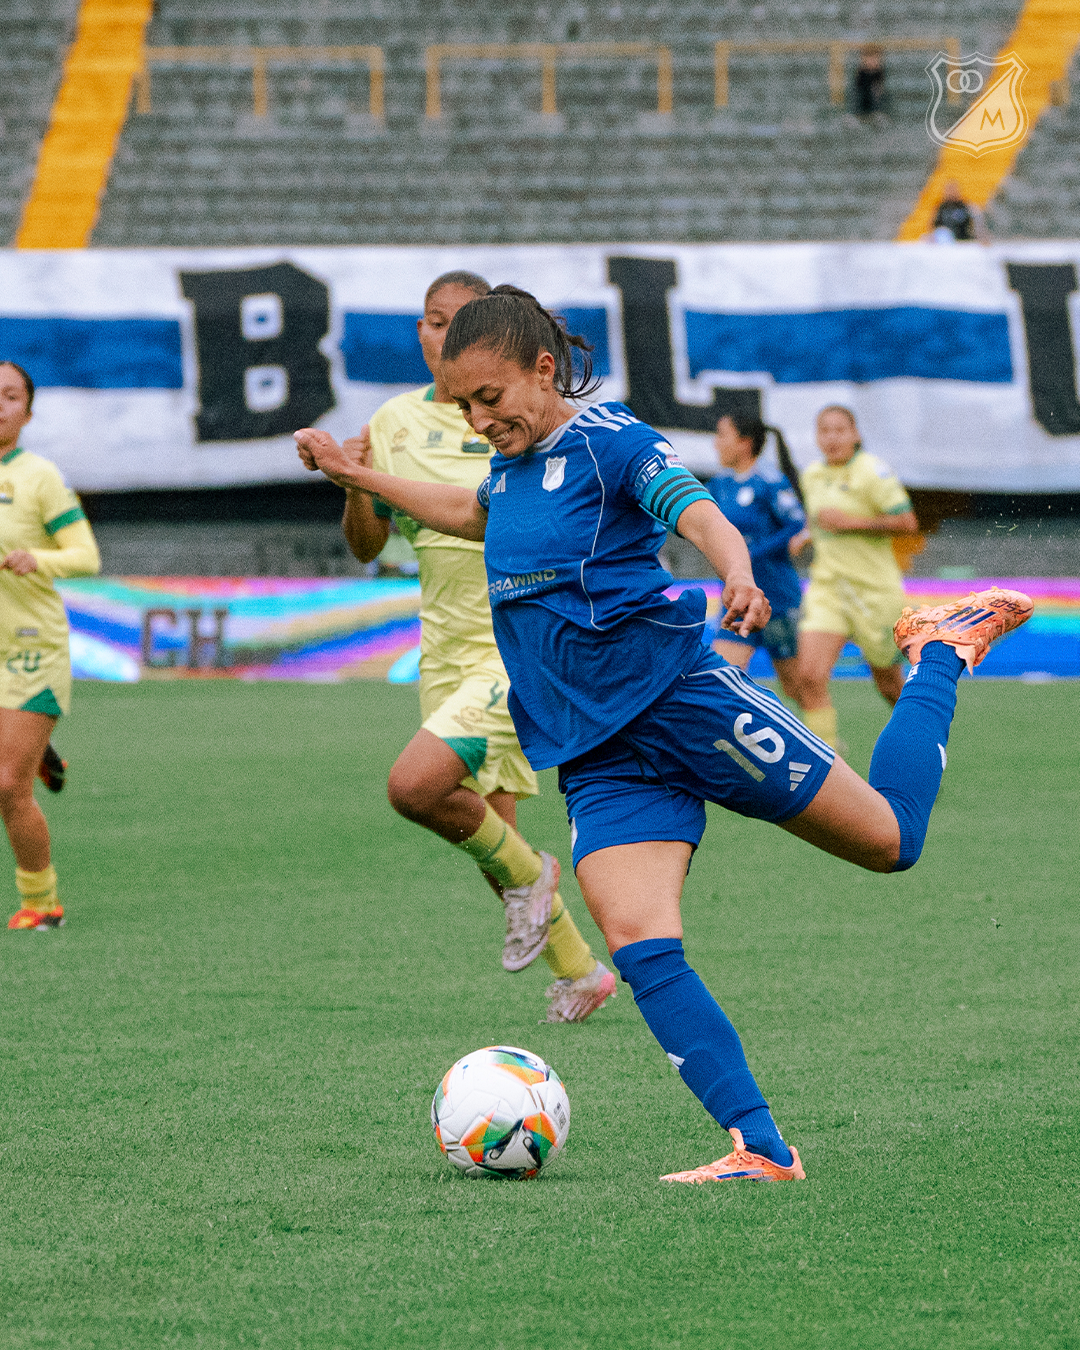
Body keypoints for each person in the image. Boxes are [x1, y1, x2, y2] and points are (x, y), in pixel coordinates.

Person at [295, 286, 1032, 1184]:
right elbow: (470, 514)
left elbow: (696, 509)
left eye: (490, 398)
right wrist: (356, 474)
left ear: (543, 370)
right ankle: (761, 1149)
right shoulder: (508, 471)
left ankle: (942, 651)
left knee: (892, 842)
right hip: (597, 752)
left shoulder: (611, 441)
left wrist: (737, 571)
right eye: (463, 407)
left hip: (683, 703)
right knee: (642, 947)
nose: (480, 420)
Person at [321, 272, 615, 1024]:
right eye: (430, 319)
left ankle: (559, 904)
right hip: (444, 646)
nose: (439, 332)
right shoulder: (393, 420)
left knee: (424, 790)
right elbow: (367, 546)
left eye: (454, 320)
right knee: (487, 831)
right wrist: (355, 483)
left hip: (515, 641)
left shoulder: (524, 415)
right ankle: (582, 972)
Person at [0, 361, 101, 931]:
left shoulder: (39, 477)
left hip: (30, 651)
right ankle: (34, 748)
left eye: (10, 396)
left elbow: (87, 556)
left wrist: (37, 558)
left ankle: (42, 904)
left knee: (5, 785)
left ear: (28, 412)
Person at [795, 405, 920, 749]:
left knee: (888, 684)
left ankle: (920, 746)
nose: (831, 438)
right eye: (824, 430)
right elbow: (820, 520)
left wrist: (851, 523)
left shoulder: (873, 472)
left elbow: (907, 522)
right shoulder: (812, 475)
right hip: (829, 589)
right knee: (809, 676)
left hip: (874, 593)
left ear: (855, 434)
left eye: (839, 430)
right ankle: (826, 762)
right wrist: (807, 534)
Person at [707, 412, 806, 704]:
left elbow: (795, 523)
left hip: (777, 599)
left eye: (722, 435)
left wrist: (750, 554)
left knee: (798, 688)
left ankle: (818, 733)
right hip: (737, 600)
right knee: (721, 679)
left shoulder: (769, 481)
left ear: (745, 443)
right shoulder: (719, 484)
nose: (716, 443)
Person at [925, 180, 989, 244]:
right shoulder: (941, 207)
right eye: (948, 190)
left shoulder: (966, 206)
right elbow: (932, 225)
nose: (950, 192)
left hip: (963, 241)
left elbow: (977, 223)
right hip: (945, 241)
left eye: (952, 190)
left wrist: (982, 236)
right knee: (935, 235)